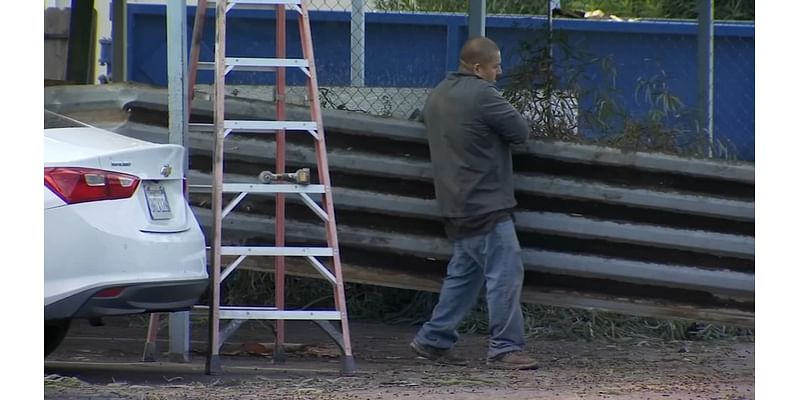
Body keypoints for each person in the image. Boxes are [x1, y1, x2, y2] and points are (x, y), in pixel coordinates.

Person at [410, 36, 538, 370]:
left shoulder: (437, 94)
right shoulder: (483, 95)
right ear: (478, 67)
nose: (499, 72)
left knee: (464, 276)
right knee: (505, 274)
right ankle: (505, 348)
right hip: (486, 202)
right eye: (495, 66)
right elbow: (520, 132)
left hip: (453, 203)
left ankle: (433, 339)